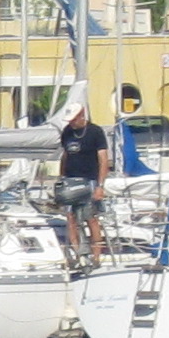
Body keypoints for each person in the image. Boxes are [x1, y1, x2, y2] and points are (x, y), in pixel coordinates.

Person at [54, 101, 111, 260]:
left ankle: (96, 256)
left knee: (91, 217)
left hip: (89, 180)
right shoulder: (67, 132)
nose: (72, 123)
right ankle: (78, 252)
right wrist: (62, 178)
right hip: (70, 180)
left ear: (82, 115)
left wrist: (100, 185)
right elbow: (65, 156)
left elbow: (103, 159)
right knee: (70, 217)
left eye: (74, 119)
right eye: (70, 120)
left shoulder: (95, 132)